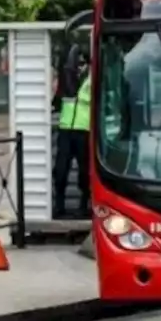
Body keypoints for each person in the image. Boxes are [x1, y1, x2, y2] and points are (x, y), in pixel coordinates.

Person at [54, 44, 91, 218]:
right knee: (61, 170)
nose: (80, 65)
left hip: (84, 129)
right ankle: (59, 205)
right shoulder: (69, 76)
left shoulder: (92, 77)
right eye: (78, 62)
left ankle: (84, 205)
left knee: (85, 171)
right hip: (66, 128)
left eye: (83, 62)